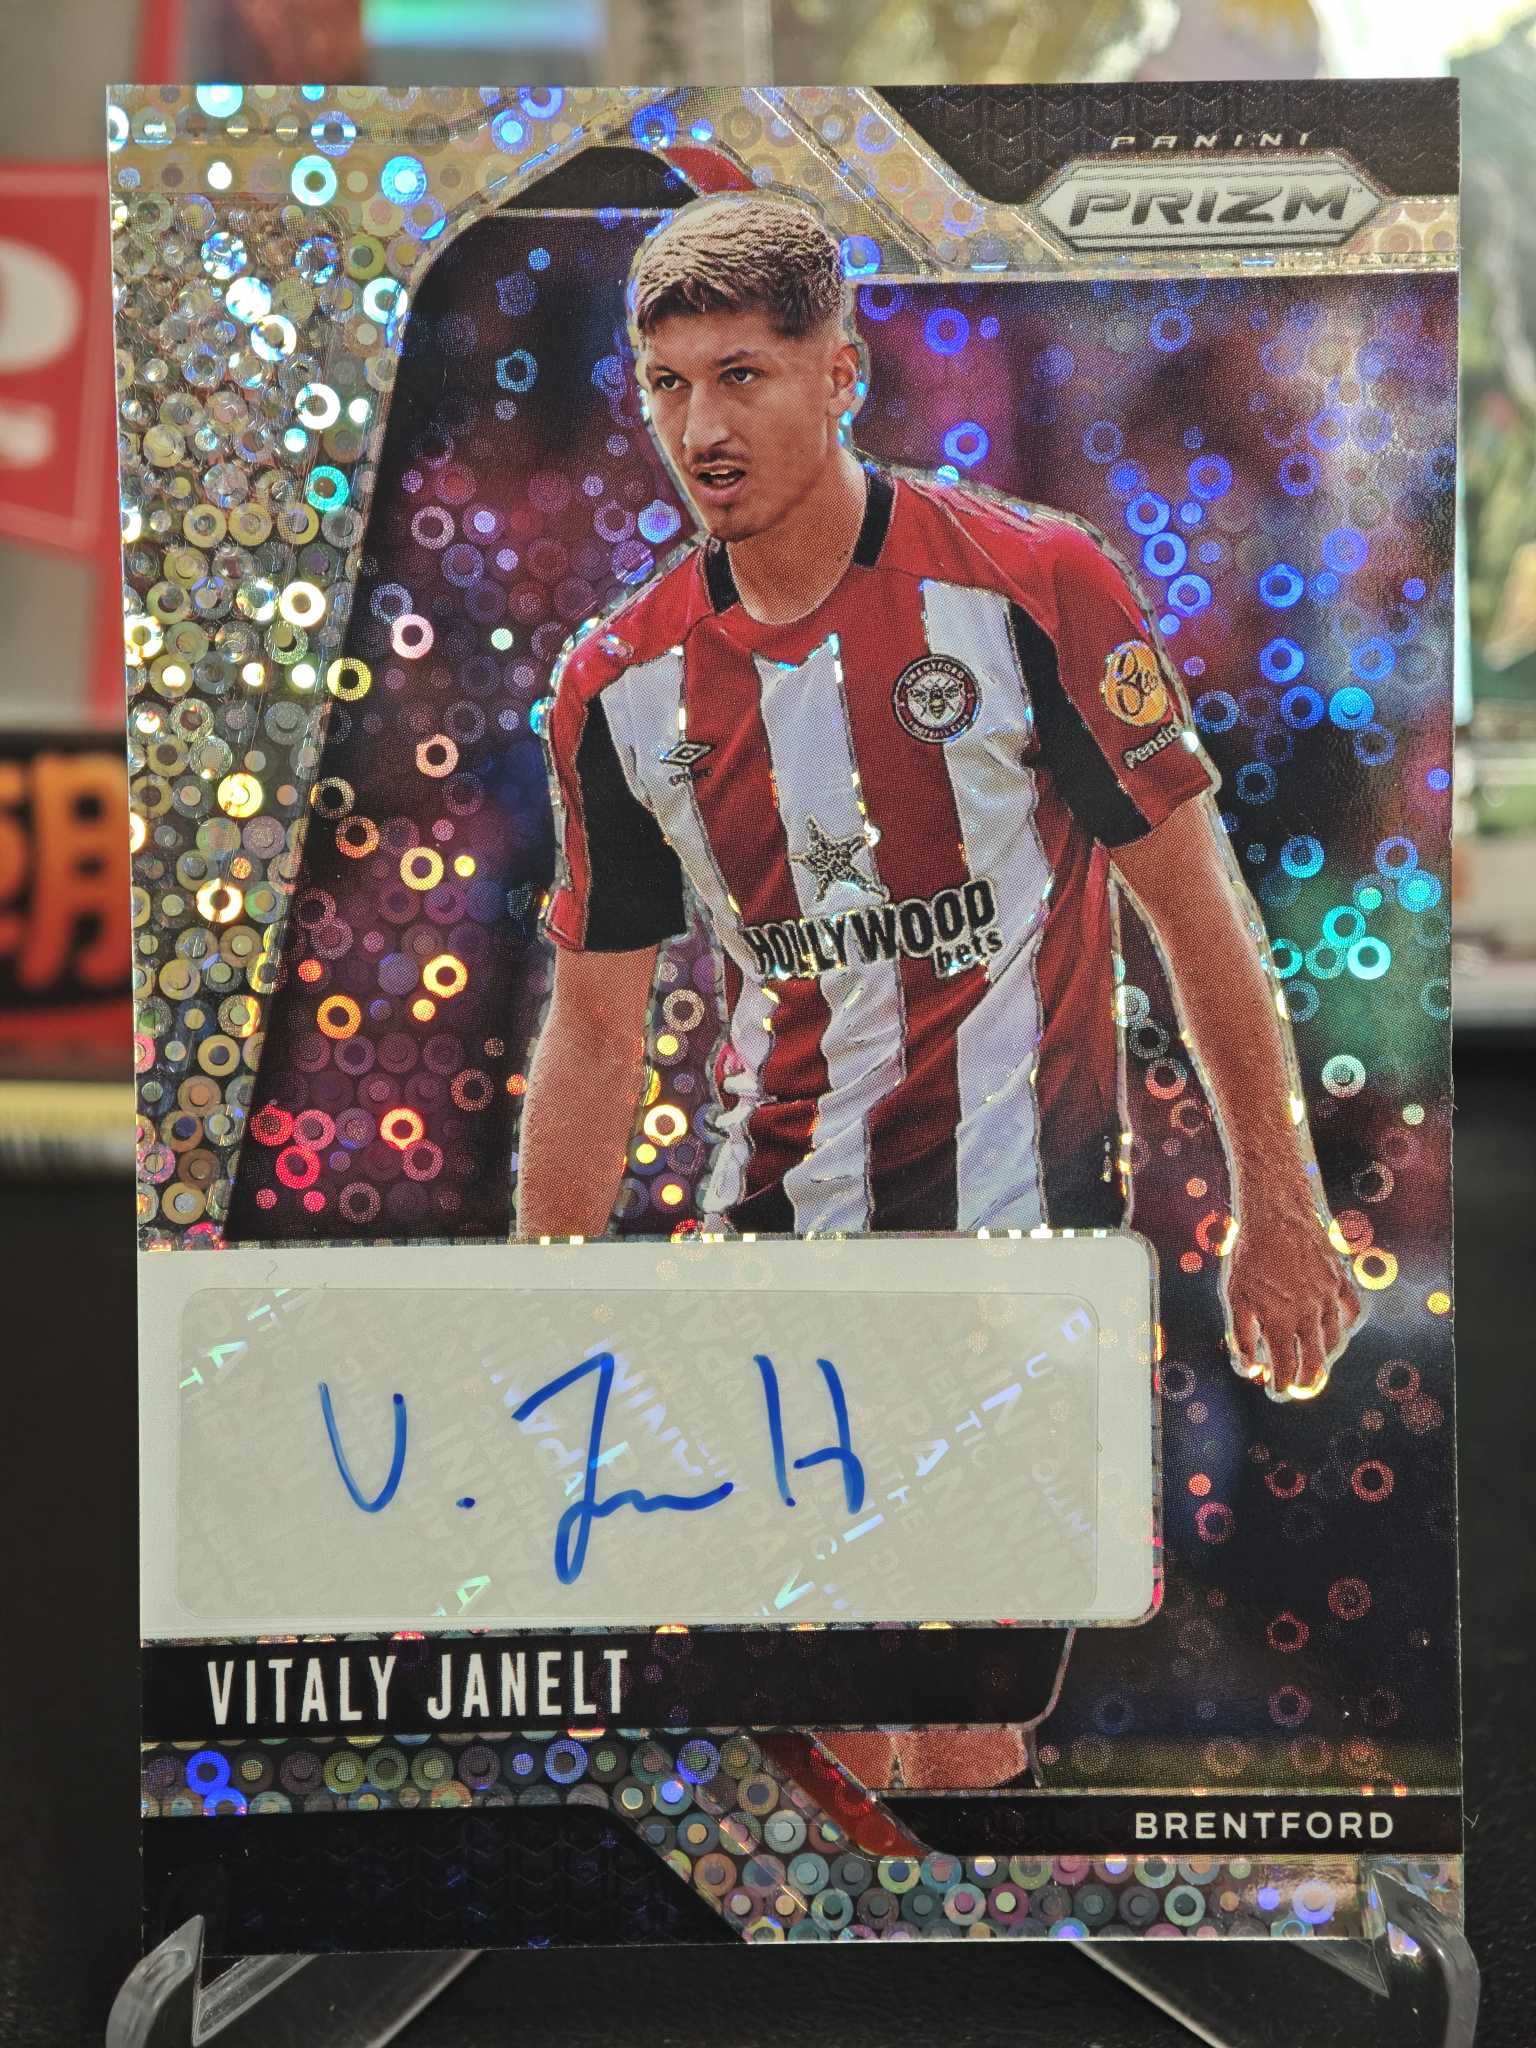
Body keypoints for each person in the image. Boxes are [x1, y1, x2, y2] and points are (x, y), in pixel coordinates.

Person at [517, 190, 1359, 1409]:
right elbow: (598, 1029)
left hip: (1030, 1282)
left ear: (840, 375)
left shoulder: (1037, 583)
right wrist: (536, 1305)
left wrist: (1278, 1203)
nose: (701, 428)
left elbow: (1194, 905)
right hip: (766, 1285)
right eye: (667, 384)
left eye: (741, 375)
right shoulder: (613, 683)